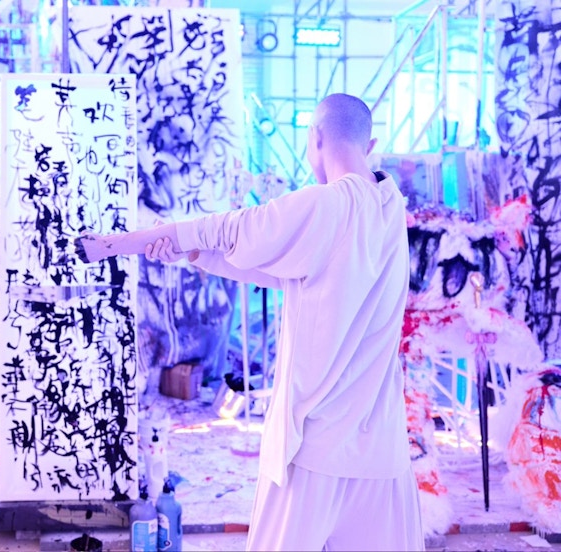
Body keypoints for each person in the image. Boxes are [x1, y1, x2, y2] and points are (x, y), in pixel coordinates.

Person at [75, 93, 424, 551]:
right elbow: (282, 270)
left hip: (315, 448)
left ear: (314, 137)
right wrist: (192, 253)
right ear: (370, 145)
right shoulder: (388, 207)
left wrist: (132, 242)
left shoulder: (329, 204)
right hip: (381, 450)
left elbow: (236, 227)